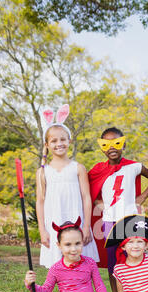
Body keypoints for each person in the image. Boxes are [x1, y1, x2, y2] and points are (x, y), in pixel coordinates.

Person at [89, 127, 148, 292]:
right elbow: (89, 190)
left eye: (117, 143)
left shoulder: (134, 166)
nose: (112, 147)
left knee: (132, 259)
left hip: (130, 222)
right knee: (113, 265)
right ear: (102, 147)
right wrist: (98, 202)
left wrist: (142, 197)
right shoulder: (98, 170)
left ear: (124, 144)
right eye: (106, 144)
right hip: (109, 223)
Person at [24, 218, 118, 292]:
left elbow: (99, 285)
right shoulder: (56, 269)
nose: (73, 249)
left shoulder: (90, 263)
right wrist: (30, 285)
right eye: (68, 244)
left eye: (77, 243)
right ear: (59, 246)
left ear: (82, 243)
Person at [37, 104, 99, 268]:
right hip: (54, 222)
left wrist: (86, 226)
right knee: (59, 266)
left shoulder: (78, 168)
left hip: (76, 220)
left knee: (81, 265)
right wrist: (42, 230)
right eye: (54, 140)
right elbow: (40, 202)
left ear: (69, 141)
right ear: (47, 144)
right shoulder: (43, 172)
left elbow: (87, 198)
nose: (59, 143)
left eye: (63, 139)